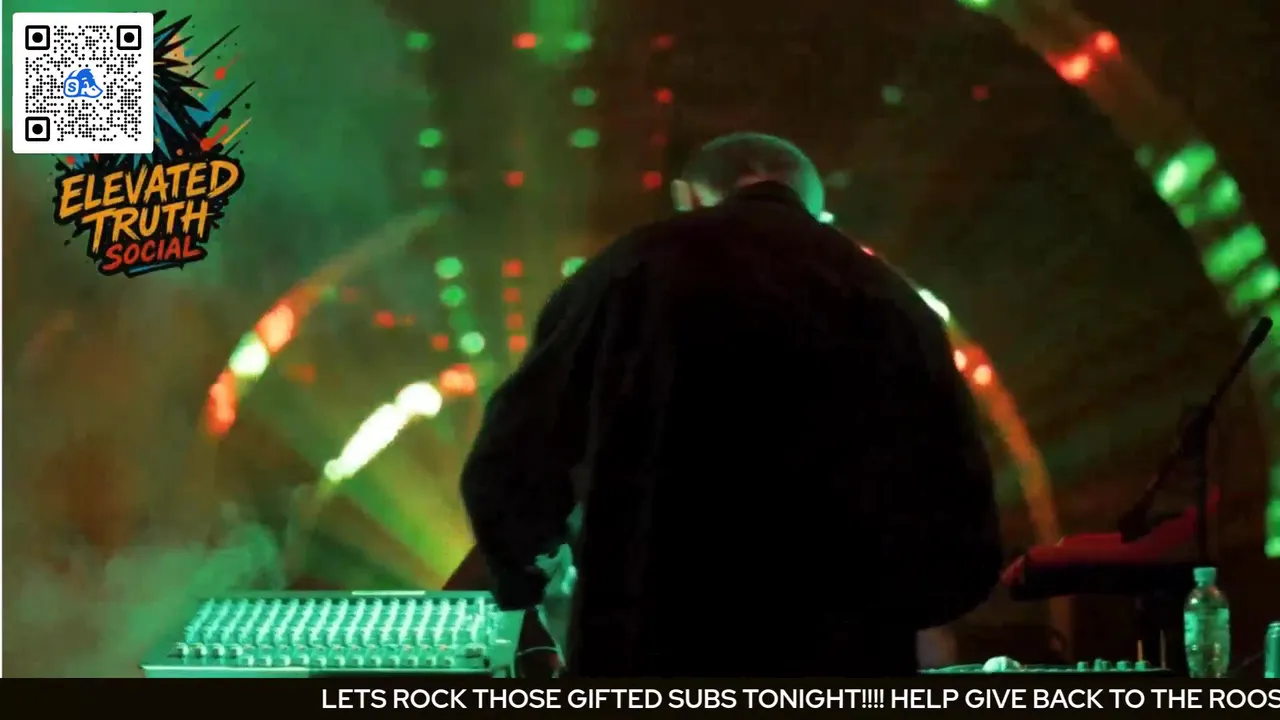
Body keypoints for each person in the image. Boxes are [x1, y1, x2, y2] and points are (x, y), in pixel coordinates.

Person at [460, 132, 1002, 677]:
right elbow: (955, 500)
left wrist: (532, 584)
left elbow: (511, 457)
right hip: (838, 657)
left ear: (689, 196)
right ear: (812, 206)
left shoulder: (623, 271)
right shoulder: (891, 298)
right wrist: (903, 613)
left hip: (644, 646)